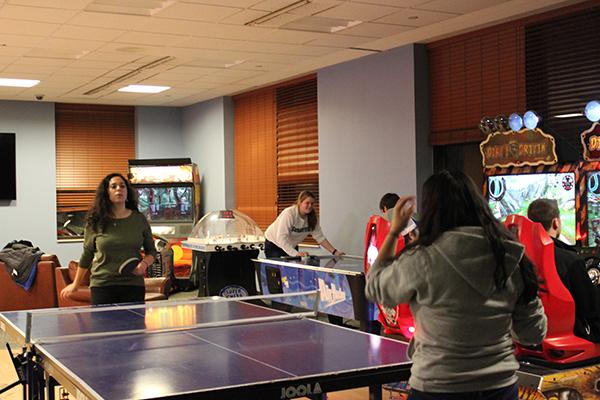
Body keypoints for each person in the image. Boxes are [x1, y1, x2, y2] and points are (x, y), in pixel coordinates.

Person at [366, 170, 546, 400]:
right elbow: (533, 334)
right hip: (499, 387)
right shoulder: (510, 255)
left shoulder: (422, 258)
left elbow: (374, 288)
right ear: (478, 205)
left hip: (437, 387)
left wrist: (393, 233)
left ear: (431, 209)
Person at [60, 173, 157, 305]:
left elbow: (151, 251)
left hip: (133, 285)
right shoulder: (95, 221)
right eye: (113, 186)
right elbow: (87, 254)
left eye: (123, 186)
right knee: (102, 325)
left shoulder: (139, 219)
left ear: (127, 192)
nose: (119, 189)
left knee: (134, 325)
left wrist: (144, 265)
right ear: (107, 192)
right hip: (102, 285)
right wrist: (75, 284)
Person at [527, 198, 600, 342]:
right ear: (556, 223)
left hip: (532, 331)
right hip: (574, 332)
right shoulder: (570, 261)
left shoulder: (521, 256)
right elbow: (590, 308)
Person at [264, 190, 344, 258]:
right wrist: (296, 254)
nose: (310, 206)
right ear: (300, 202)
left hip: (291, 245)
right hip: (274, 244)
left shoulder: (313, 217)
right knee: (278, 274)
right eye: (307, 203)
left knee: (292, 273)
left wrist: (335, 252)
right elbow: (281, 238)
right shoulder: (289, 213)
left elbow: (320, 237)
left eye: (312, 204)